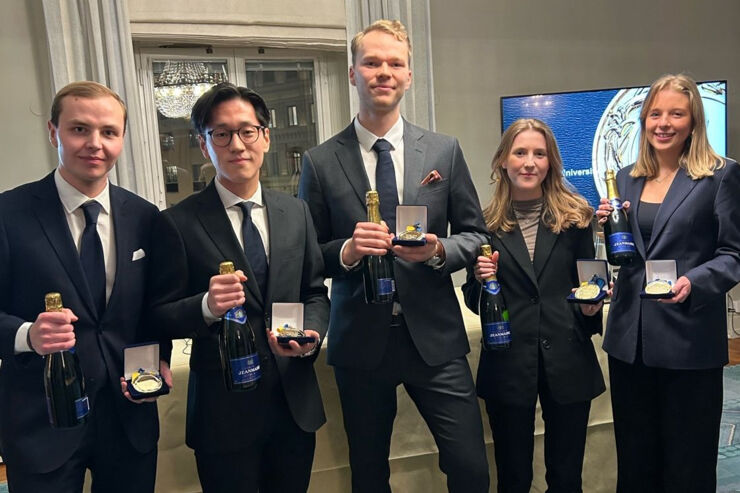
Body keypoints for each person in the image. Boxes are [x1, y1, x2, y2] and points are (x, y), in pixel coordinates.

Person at [298, 19, 490, 493]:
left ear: (408, 77)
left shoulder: (443, 152)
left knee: (469, 466)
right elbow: (306, 255)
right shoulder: (319, 162)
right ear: (352, 74)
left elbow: (475, 234)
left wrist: (440, 249)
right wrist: (345, 250)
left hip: (436, 338)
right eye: (372, 62)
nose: (383, 72)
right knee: (368, 473)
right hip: (360, 342)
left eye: (395, 64)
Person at [148, 82, 329, 493]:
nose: (237, 144)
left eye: (248, 131)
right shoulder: (177, 222)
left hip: (293, 404)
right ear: (203, 143)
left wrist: (313, 334)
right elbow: (159, 313)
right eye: (222, 133)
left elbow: (315, 292)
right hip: (223, 413)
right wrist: (207, 306)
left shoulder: (295, 212)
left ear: (265, 136)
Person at [0, 81, 170, 493]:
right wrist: (26, 335)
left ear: (122, 139)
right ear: (54, 131)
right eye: (80, 129)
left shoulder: (146, 218)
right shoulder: (8, 214)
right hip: (42, 423)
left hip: (129, 417)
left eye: (109, 132)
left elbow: (156, 305)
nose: (95, 143)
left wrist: (160, 359)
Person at [596, 74, 740, 493]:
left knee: (687, 465)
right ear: (642, 121)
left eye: (676, 113)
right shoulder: (625, 177)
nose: (663, 122)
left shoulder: (720, 176)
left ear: (693, 121)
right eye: (655, 113)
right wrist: (607, 228)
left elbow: (734, 254)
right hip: (630, 341)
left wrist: (695, 282)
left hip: (688, 340)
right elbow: (627, 254)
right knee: (637, 462)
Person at [462, 118, 605, 493]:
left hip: (568, 359)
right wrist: (480, 280)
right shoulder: (480, 226)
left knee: (566, 475)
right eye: (520, 152)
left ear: (551, 162)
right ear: (502, 162)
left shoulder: (577, 218)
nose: (529, 162)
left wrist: (592, 311)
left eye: (539, 154)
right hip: (508, 362)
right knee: (513, 478)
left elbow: (587, 289)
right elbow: (474, 301)